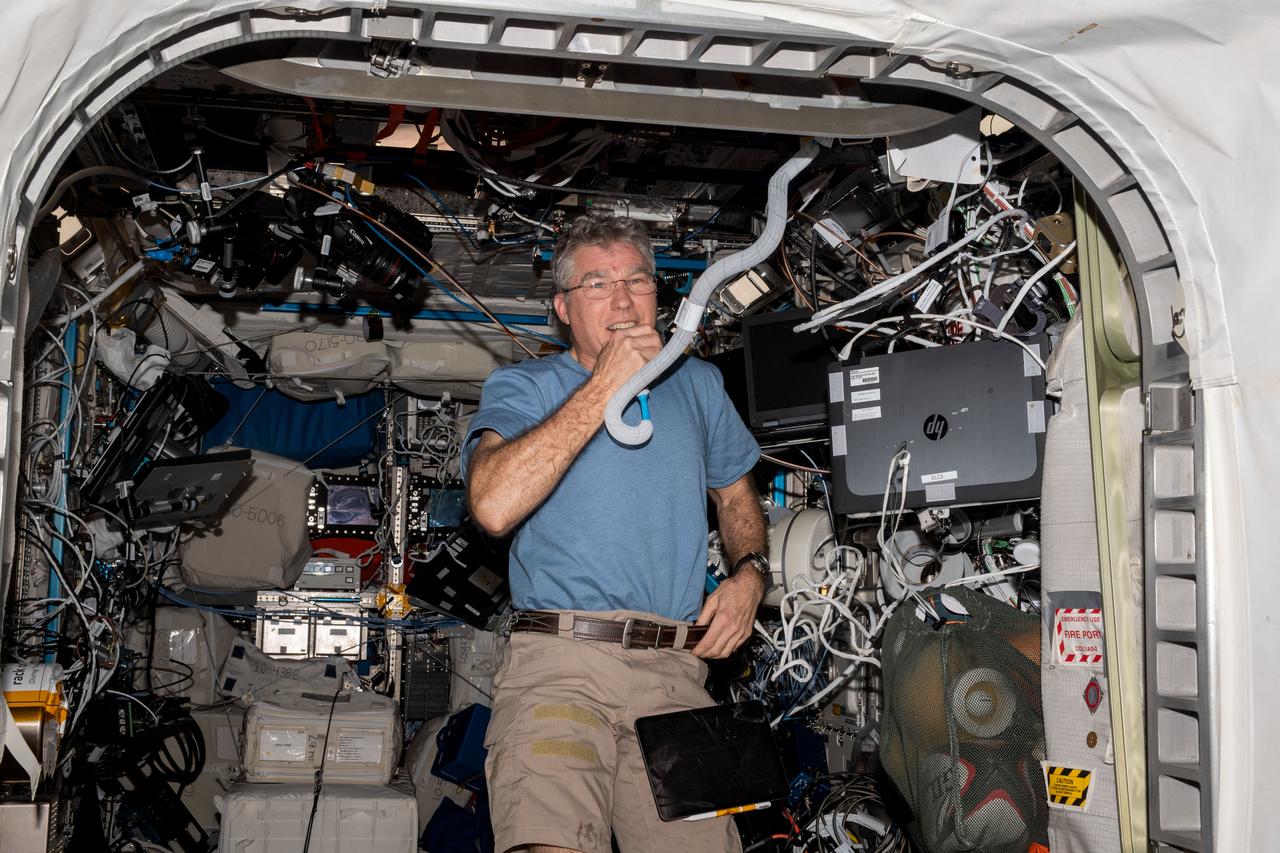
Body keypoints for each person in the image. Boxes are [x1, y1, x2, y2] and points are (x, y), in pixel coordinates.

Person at [461, 214, 769, 853]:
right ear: (562, 309)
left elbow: (737, 495)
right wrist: (604, 385)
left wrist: (749, 577)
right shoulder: (526, 385)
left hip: (676, 674)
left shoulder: (698, 384)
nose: (624, 301)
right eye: (598, 285)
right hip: (563, 667)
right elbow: (492, 505)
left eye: (638, 282)